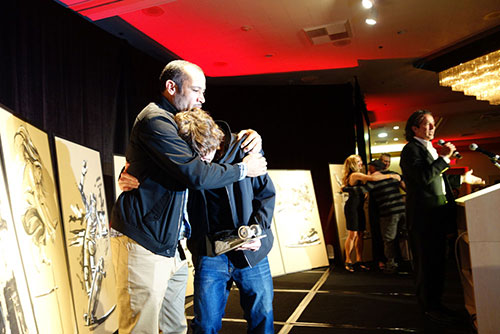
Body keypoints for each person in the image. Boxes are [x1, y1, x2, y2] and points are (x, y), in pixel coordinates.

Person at [110, 60, 267, 334]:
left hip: (173, 246)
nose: (202, 98)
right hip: (146, 242)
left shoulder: (177, 123)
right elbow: (196, 174)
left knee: (175, 327)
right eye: (196, 90)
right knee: (140, 328)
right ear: (171, 87)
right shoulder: (155, 120)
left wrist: (252, 137)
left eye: (204, 91)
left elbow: (203, 146)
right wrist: (244, 169)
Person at [400, 110, 484, 325]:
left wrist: (463, 178)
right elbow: (423, 178)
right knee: (426, 266)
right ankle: (428, 308)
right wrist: (445, 158)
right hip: (423, 218)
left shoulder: (428, 149)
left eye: (433, 124)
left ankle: (437, 305)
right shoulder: (411, 149)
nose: (432, 128)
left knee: (437, 265)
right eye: (427, 124)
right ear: (414, 128)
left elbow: (437, 182)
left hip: (435, 217)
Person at [341, 155, 400, 272]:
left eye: (360, 161)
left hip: (359, 207)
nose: (361, 163)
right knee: (352, 235)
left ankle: (359, 260)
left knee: (360, 234)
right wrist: (391, 175)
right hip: (352, 208)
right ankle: (348, 260)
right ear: (352, 164)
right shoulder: (354, 175)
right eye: (358, 161)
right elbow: (372, 179)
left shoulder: (360, 175)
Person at [367, 160, 406, 274]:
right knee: (403, 237)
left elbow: (363, 190)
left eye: (370, 168)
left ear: (374, 168)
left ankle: (391, 265)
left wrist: (345, 189)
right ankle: (407, 262)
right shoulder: (394, 176)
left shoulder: (374, 180)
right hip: (401, 209)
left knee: (389, 239)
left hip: (388, 212)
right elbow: (405, 187)